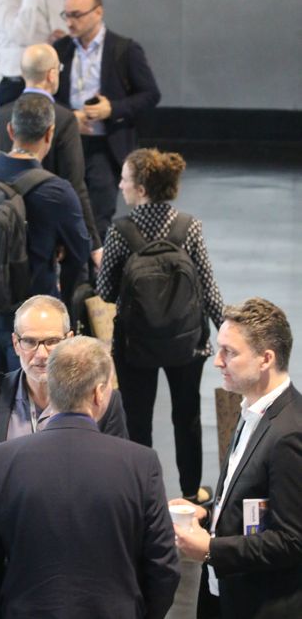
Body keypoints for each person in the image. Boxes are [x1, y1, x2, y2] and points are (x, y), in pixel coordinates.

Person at [0, 334, 180, 619]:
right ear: (99, 393)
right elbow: (163, 566)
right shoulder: (140, 463)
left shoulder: (0, 461)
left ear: (53, 388)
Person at [97, 147, 224, 504]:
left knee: (137, 420)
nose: (120, 185)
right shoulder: (189, 227)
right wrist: (227, 329)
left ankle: (143, 494)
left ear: (140, 189)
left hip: (135, 343)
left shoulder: (120, 231)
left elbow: (106, 291)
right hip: (187, 342)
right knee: (187, 417)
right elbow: (207, 287)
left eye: (125, 179)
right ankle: (192, 493)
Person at [171, 297, 302, 619]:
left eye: (229, 352)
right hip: (227, 592)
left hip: (260, 604)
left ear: (265, 359)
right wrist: (205, 513)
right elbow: (251, 500)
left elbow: (292, 540)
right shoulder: (252, 410)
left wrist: (210, 550)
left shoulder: (289, 434)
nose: (218, 361)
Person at [0, 295, 128, 513]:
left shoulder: (102, 400)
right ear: (15, 344)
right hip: (3, 528)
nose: (41, 354)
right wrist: (10, 500)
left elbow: (117, 476)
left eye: (52, 341)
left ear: (69, 340)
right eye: (29, 342)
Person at [0, 94, 90, 374]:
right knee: (31, 395)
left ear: (10, 130)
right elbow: (80, 251)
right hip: (31, 324)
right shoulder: (57, 191)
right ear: (50, 134)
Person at [54, 0, 161, 241]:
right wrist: (70, 116)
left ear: (98, 12)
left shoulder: (124, 49)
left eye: (76, 15)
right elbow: (48, 96)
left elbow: (150, 94)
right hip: (69, 143)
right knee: (65, 212)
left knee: (99, 216)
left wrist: (112, 108)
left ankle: (96, 265)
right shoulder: (61, 49)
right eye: (66, 15)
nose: (69, 22)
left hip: (106, 145)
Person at [0, 42, 102, 271]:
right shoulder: (63, 118)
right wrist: (93, 244)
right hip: (47, 236)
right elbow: (75, 183)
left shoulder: (1, 115)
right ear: (52, 74)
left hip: (3, 231)